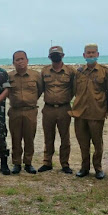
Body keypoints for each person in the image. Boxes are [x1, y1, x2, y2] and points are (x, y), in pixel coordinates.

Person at [70, 44, 108, 179]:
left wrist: (107, 109)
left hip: (96, 112)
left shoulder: (105, 72)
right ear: (84, 55)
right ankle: (84, 167)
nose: (90, 55)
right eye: (88, 53)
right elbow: (74, 91)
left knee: (97, 142)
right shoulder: (78, 72)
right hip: (80, 113)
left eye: (93, 53)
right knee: (83, 143)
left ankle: (98, 168)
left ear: (97, 54)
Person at [39, 46, 76, 174]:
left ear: (63, 55)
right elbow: (40, 89)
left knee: (65, 137)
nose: (56, 57)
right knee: (48, 137)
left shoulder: (70, 72)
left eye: (58, 54)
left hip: (64, 108)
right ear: (49, 57)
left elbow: (75, 89)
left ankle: (65, 164)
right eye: (53, 55)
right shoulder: (44, 71)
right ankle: (47, 162)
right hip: (48, 108)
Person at [7, 50, 42, 175]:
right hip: (15, 111)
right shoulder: (9, 76)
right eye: (17, 59)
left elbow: (40, 90)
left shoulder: (36, 75)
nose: (20, 61)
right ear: (13, 62)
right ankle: (16, 163)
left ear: (27, 60)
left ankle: (28, 163)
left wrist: (30, 100)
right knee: (15, 138)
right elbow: (6, 92)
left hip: (30, 111)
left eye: (22, 59)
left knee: (29, 138)